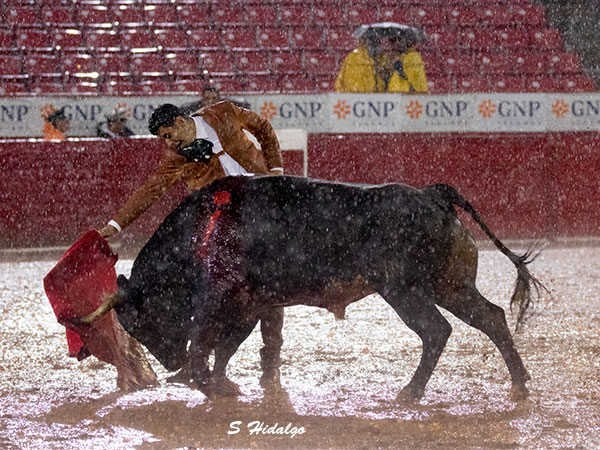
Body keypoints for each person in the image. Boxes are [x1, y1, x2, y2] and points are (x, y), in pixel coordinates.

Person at [98, 100, 285, 387]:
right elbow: (152, 189)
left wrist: (275, 170)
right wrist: (116, 224)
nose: (168, 142)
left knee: (269, 288)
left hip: (262, 207)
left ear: (180, 122)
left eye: (168, 135)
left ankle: (270, 361)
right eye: (164, 139)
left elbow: (263, 127)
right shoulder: (177, 155)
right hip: (226, 224)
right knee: (234, 290)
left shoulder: (222, 112)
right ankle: (203, 361)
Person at [335, 24, 428, 93]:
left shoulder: (410, 58)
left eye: (394, 41)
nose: (390, 45)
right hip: (379, 102)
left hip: (387, 102)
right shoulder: (359, 58)